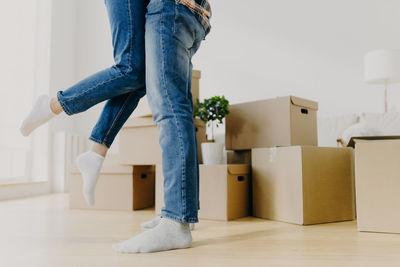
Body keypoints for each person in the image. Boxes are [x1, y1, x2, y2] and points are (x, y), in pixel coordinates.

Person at [20, 0, 211, 253]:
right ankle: (179, 212)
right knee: (143, 79)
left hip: (174, 6)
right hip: (195, 12)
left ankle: (177, 220)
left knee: (147, 86)